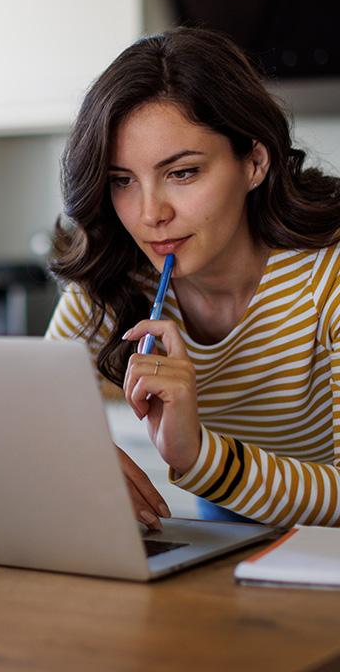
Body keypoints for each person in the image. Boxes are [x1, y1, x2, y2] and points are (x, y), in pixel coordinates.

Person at [45, 27, 340, 531]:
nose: (150, 214)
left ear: (254, 162)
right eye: (123, 181)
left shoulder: (327, 277)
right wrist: (68, 453)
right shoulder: (115, 276)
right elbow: (33, 409)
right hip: (226, 527)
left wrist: (200, 455)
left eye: (182, 173)